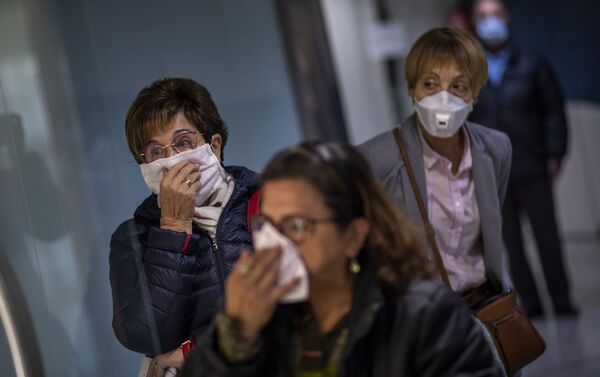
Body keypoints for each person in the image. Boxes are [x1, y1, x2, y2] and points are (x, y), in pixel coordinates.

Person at [180, 141, 503, 377]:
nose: (272, 243)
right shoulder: (267, 318)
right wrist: (233, 338)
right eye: (266, 225)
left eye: (295, 226)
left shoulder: (425, 315)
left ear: (352, 237)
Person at [109, 78, 259, 375]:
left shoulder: (267, 203)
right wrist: (174, 228)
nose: (171, 161)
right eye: (156, 152)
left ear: (214, 146)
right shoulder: (133, 237)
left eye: (183, 143)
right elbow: (143, 334)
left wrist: (194, 350)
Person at [360, 28, 512, 305]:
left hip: (484, 304)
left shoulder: (495, 148)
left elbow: (491, 227)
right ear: (411, 89)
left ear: (474, 94)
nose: (443, 100)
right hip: (420, 318)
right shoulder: (376, 159)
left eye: (458, 86)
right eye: (430, 85)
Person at [469, 0, 577, 317]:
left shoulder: (532, 62)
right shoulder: (470, 70)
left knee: (547, 237)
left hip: (533, 164)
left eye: (494, 15)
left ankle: (562, 300)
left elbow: (554, 112)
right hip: (493, 172)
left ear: (506, 18)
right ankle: (531, 303)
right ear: (474, 23)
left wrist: (555, 152)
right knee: (511, 242)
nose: (490, 22)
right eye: (482, 16)